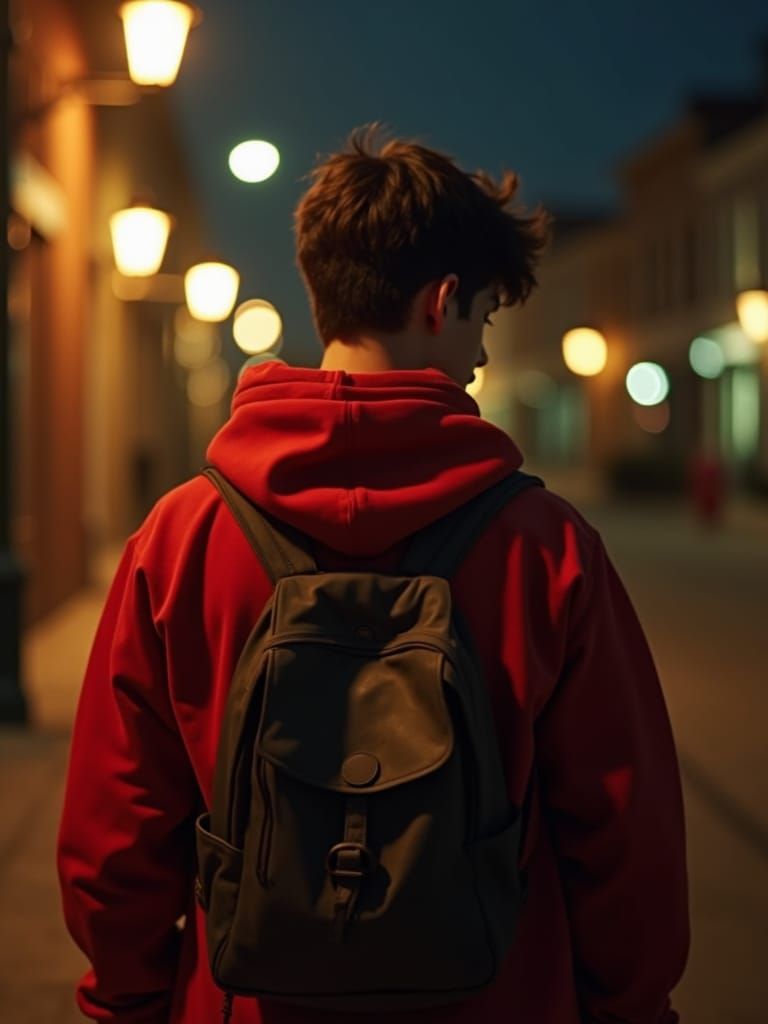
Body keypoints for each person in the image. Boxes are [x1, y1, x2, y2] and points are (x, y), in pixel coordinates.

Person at [58, 126, 689, 1024]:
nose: (478, 355)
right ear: (442, 302)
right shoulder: (546, 545)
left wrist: (124, 1001)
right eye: (484, 318)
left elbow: (114, 829)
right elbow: (626, 831)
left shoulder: (184, 535)